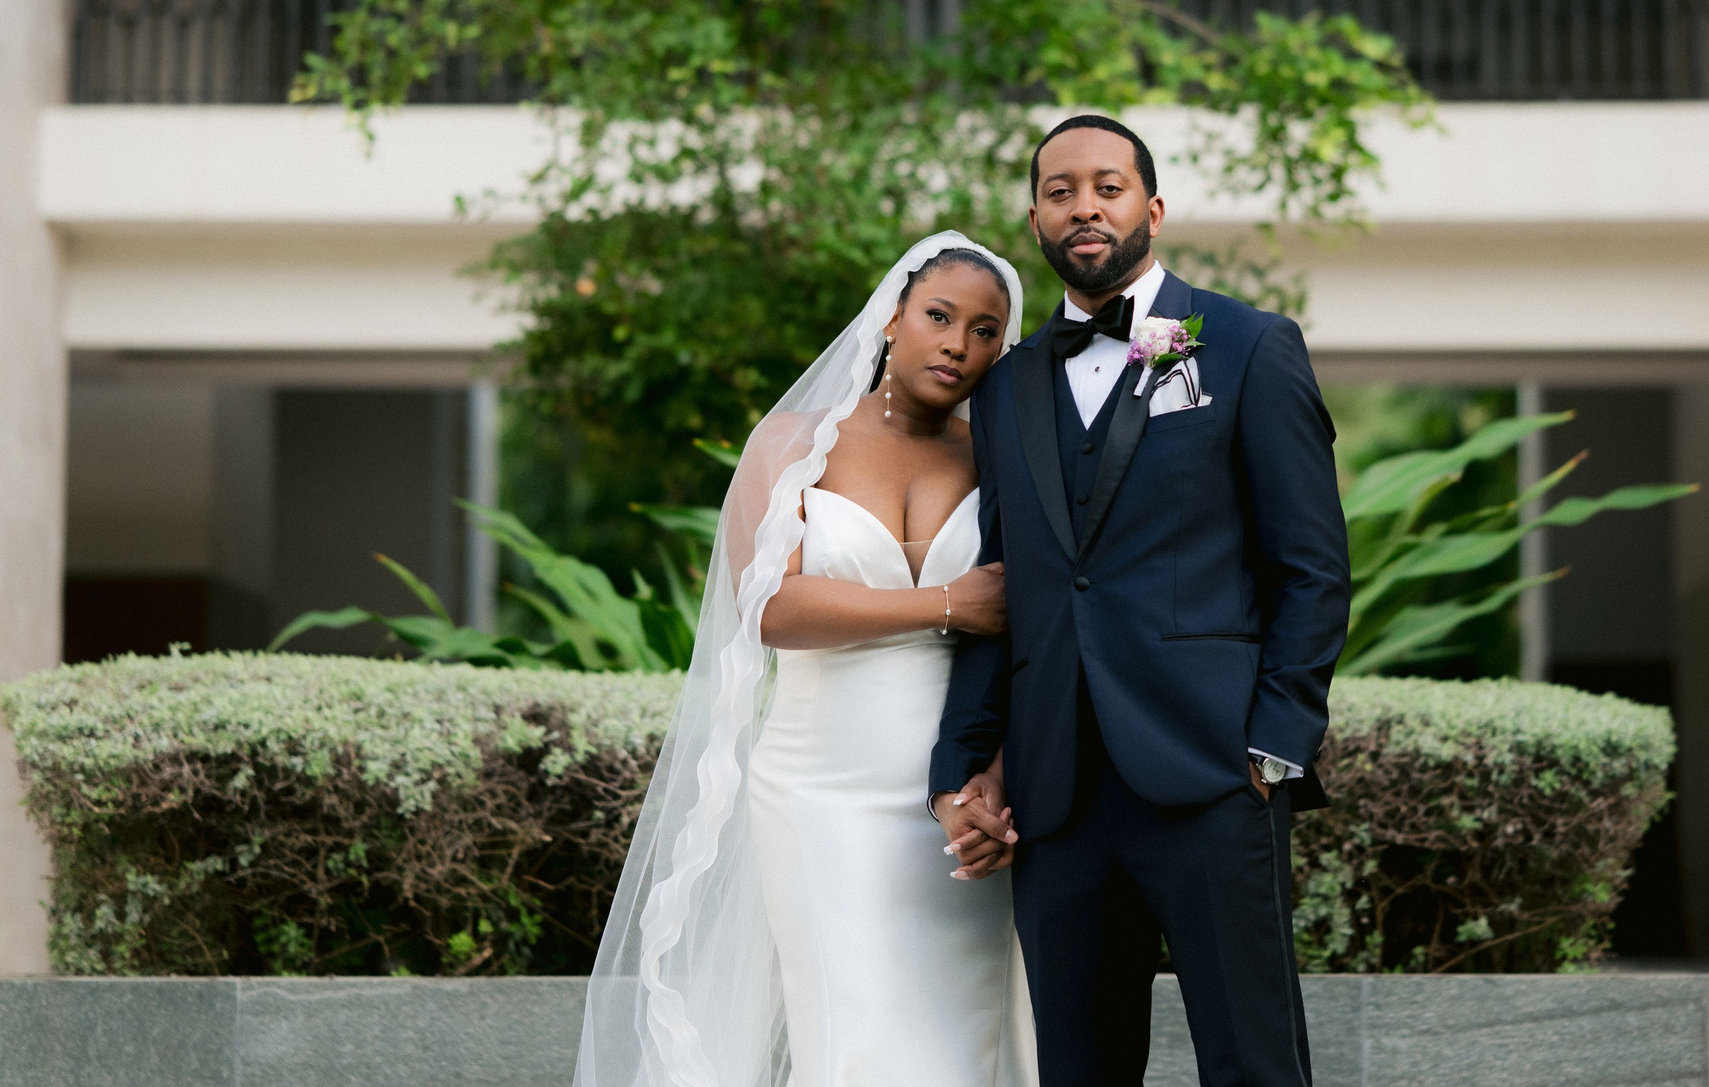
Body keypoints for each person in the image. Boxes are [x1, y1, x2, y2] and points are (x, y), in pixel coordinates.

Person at [931, 114, 1352, 1087]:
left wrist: (1272, 744)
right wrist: (962, 763)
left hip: (1212, 773)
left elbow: (1311, 564)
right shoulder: (1006, 385)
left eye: (1107, 187)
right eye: (1060, 190)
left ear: (1151, 210)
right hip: (1057, 793)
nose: (1084, 206)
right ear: (1035, 218)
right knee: (1079, 1068)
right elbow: (1004, 587)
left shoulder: (1243, 344)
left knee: (1252, 1064)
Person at [574, 233, 1037, 1087]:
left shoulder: (998, 461)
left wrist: (991, 778)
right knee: (851, 1038)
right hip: (822, 788)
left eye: (985, 332)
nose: (958, 345)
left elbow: (1028, 639)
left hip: (959, 793)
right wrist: (947, 603)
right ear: (891, 318)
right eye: (939, 317)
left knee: (966, 1041)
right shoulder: (793, 443)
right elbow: (769, 608)